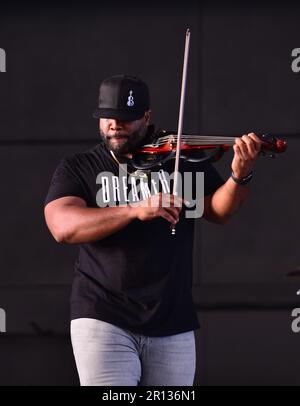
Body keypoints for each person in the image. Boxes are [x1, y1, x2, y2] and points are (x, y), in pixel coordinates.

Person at [44, 74, 262, 386]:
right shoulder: (80, 166)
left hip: (172, 319)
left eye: (126, 119)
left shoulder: (178, 157)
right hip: (103, 315)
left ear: (146, 116)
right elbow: (62, 226)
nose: (115, 126)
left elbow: (217, 210)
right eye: (108, 118)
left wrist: (239, 176)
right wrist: (135, 210)